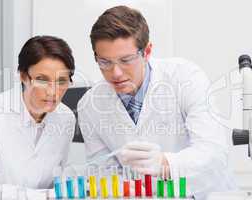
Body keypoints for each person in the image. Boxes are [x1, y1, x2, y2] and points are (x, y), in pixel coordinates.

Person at [77, 5, 236, 199]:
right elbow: (102, 172)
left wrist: (165, 164)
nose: (115, 73)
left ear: (147, 51)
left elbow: (213, 153)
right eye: (105, 62)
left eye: (126, 60)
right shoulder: (90, 105)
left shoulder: (185, 78)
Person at [0, 36, 76, 200]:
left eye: (62, 81)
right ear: (23, 76)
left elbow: (58, 178)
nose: (53, 92)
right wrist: (49, 196)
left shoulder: (66, 118)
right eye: (42, 80)